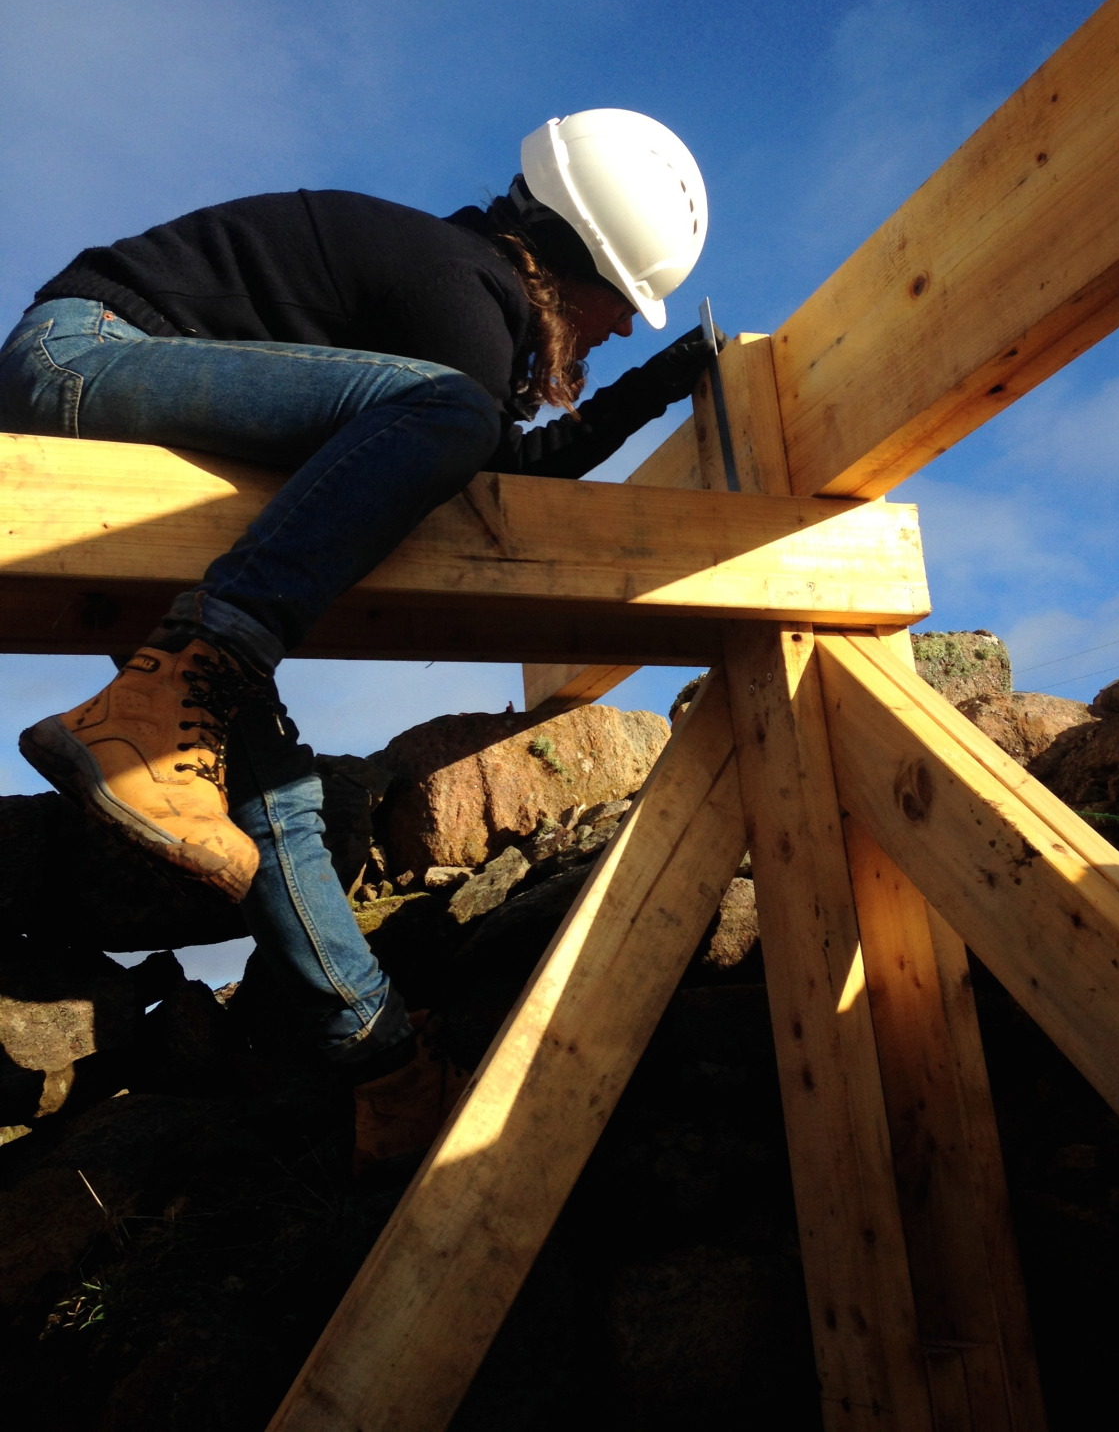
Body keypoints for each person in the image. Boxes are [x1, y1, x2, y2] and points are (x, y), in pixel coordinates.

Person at [0, 107, 715, 1165]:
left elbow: (474, 461)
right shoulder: (464, 289)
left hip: (102, 380)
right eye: (623, 306)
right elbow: (476, 453)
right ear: (576, 266)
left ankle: (385, 1071)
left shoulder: (457, 299)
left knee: (266, 794)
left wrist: (656, 388)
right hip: (80, 360)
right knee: (449, 417)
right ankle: (186, 675)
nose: (621, 330)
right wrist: (647, 389)